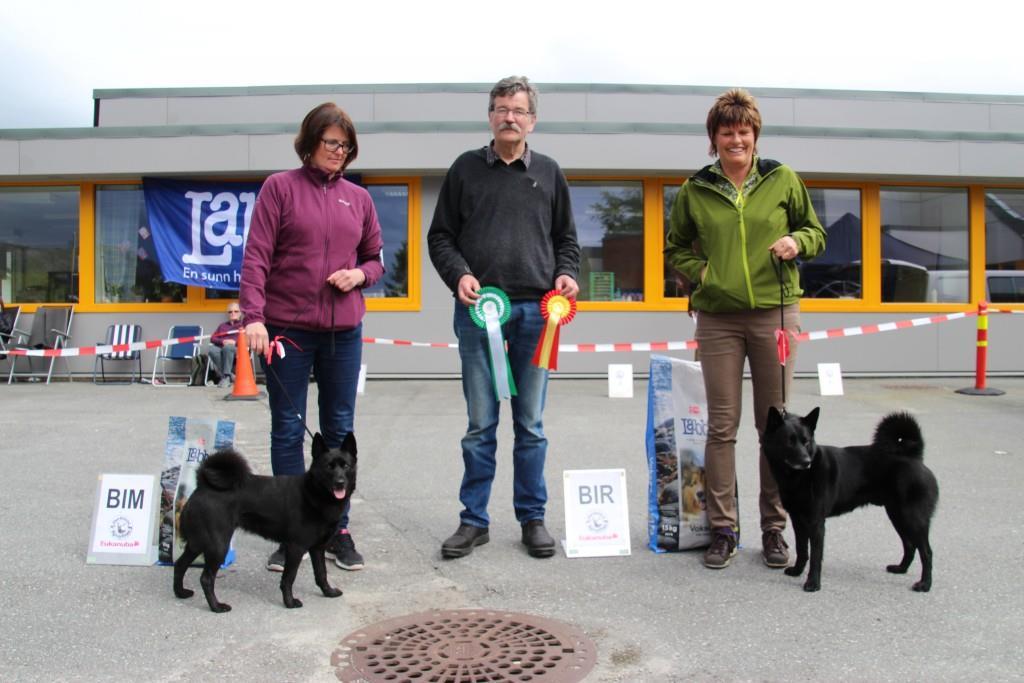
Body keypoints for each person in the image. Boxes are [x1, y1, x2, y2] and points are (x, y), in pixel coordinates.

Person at [664, 88, 826, 570]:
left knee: (775, 425)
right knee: (721, 427)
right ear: (713, 139)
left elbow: (816, 232)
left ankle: (774, 529)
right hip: (717, 319)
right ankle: (722, 528)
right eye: (726, 131)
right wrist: (705, 274)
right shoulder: (695, 189)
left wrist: (797, 241)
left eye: (744, 131)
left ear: (756, 136)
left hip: (776, 314)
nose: (736, 139)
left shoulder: (783, 179)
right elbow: (675, 249)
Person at [428, 76, 581, 560]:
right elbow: (440, 237)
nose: (509, 117)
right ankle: (474, 520)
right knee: (480, 425)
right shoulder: (465, 170)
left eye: (518, 110)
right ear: (490, 116)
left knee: (531, 425)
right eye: (500, 109)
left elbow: (567, 242)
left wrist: (566, 275)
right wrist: (459, 277)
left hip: (539, 315)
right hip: (480, 313)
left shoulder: (551, 173)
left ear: (532, 119)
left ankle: (532, 519)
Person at [239, 102, 384, 573]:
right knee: (287, 427)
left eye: (346, 145)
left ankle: (337, 529)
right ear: (309, 142)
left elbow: (377, 260)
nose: (339, 152)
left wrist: (358, 275)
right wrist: (254, 317)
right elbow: (256, 256)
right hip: (288, 329)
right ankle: (291, 530)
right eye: (331, 142)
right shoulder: (279, 188)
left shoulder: (358, 199)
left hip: (344, 330)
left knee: (340, 428)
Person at [207, 302, 244, 386]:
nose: (233, 313)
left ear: (240, 313)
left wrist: (235, 342)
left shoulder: (244, 324)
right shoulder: (222, 326)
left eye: (236, 311)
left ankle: (226, 377)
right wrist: (222, 341)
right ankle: (229, 375)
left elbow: (248, 339)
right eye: (230, 312)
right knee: (212, 350)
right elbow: (212, 338)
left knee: (228, 348)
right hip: (222, 347)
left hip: (239, 349)